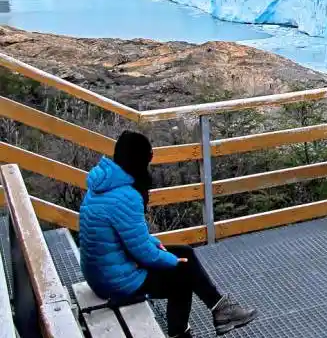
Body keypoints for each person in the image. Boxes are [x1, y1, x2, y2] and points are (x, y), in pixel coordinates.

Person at [79, 131, 257, 338]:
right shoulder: (127, 196)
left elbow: (130, 237)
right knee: (182, 276)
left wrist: (158, 246)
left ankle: (221, 309)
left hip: (101, 272)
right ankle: (201, 323)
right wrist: (172, 261)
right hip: (115, 281)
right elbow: (143, 253)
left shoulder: (103, 186)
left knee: (185, 252)